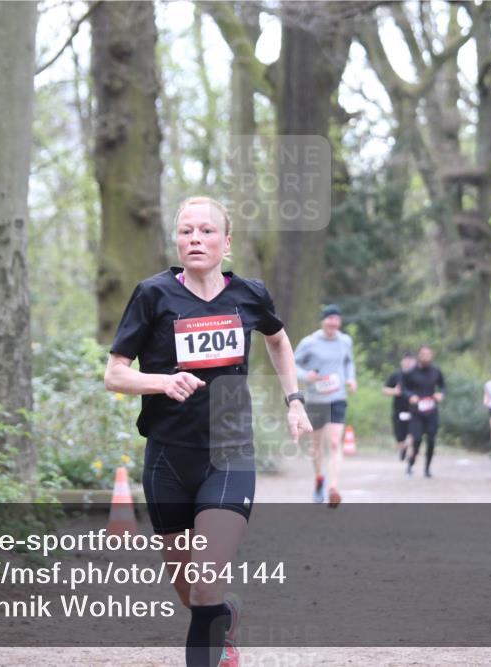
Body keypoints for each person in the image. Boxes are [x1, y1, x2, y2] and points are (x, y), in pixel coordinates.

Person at [104, 196, 312, 667]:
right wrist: (161, 381)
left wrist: (294, 401)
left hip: (229, 451)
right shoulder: (152, 295)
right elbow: (115, 374)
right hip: (169, 457)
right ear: (176, 240)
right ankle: (223, 620)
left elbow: (278, 340)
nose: (195, 239)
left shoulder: (249, 295)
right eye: (185, 231)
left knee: (206, 579)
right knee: (189, 587)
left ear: (226, 242)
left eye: (206, 231)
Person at [294, 305, 357, 508]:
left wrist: (351, 378)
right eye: (329, 319)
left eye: (336, 319)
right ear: (323, 321)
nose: (333, 323)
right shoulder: (310, 342)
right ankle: (320, 478)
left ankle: (333, 487)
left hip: (337, 397)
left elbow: (348, 362)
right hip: (316, 400)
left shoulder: (345, 341)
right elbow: (292, 364)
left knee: (334, 443)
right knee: (316, 446)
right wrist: (307, 376)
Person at [403, 345, 445, 478]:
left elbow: (443, 386)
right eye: (423, 354)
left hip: (431, 410)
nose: (426, 357)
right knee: (416, 439)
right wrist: (410, 396)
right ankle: (411, 462)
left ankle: (427, 468)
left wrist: (441, 394)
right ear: (419, 356)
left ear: (432, 356)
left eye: (428, 354)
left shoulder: (436, 371)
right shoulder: (411, 372)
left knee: (431, 440)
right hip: (416, 412)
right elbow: (404, 388)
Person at [382, 352, 416, 461]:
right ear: (402, 362)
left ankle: (411, 457)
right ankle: (403, 448)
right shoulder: (396, 375)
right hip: (399, 410)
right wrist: (394, 391)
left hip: (414, 410)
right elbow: (385, 390)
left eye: (410, 360)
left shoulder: (418, 376)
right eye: (406, 360)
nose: (408, 362)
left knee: (413, 433)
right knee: (400, 437)